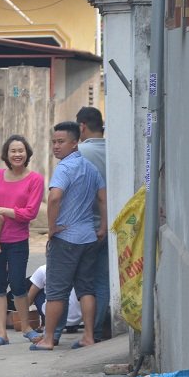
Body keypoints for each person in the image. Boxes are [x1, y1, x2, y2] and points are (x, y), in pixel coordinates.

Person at [30, 121, 107, 351]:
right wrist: (102, 226)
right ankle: (89, 336)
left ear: (75, 143)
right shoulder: (90, 168)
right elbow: (103, 198)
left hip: (66, 238)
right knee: (86, 288)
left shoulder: (64, 168)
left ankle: (48, 339)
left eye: (61, 142)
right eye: (54, 142)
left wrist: (52, 228)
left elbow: (54, 198)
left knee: (56, 290)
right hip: (89, 237)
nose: (56, 146)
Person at [0, 134, 45, 346]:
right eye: (13, 151)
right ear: (6, 154)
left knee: (17, 284)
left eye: (21, 151)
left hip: (17, 239)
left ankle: (26, 328)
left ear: (27, 154)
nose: (17, 154)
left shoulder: (35, 179)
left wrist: (2, 210)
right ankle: (2, 333)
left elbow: (30, 213)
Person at [76, 106, 110, 341]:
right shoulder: (116, 147)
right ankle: (96, 329)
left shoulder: (78, 153)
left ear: (82, 127)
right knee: (103, 279)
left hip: (85, 226)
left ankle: (86, 330)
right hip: (114, 224)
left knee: (82, 281)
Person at [25, 264, 82, 344]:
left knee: (37, 290)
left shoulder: (44, 269)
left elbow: (28, 301)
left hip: (56, 321)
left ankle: (46, 326)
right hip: (77, 319)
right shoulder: (77, 267)